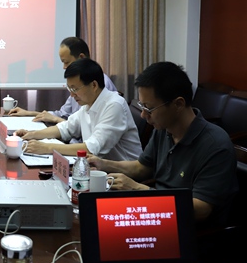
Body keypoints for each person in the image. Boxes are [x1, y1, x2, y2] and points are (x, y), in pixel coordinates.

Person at [87, 61, 238, 227]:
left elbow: (201, 209)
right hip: (156, 213)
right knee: (93, 217)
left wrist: (138, 189)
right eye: (142, 106)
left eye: (149, 108)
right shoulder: (163, 129)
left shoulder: (215, 145)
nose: (143, 115)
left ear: (178, 104)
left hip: (188, 229)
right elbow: (141, 167)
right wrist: (103, 164)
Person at [15, 58, 141, 161]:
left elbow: (91, 149)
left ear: (93, 85)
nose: (72, 94)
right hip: (97, 168)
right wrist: (32, 134)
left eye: (75, 89)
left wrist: (47, 148)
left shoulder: (114, 105)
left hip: (122, 175)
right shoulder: (88, 104)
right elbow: (65, 128)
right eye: (70, 89)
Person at [9, 36, 117, 125]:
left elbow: (85, 129)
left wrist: (56, 121)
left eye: (66, 62)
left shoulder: (101, 85)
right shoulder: (78, 85)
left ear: (81, 57)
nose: (64, 67)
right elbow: (63, 114)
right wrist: (29, 113)